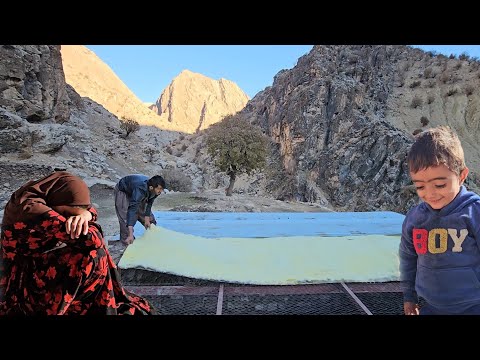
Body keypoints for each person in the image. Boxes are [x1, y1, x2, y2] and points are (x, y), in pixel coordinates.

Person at [0, 171, 158, 315]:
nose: (68, 217)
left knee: (93, 249)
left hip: (38, 262)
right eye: (67, 213)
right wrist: (83, 216)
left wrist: (86, 215)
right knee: (93, 254)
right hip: (22, 282)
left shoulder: (44, 194)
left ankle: (93, 301)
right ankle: (94, 304)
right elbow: (92, 240)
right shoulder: (32, 210)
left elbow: (88, 210)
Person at [399, 125, 480, 315]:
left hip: (472, 307)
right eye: (420, 187)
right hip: (429, 307)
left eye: (440, 184)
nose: (430, 194)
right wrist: (409, 297)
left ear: (461, 176)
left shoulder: (474, 212)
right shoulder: (415, 219)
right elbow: (408, 259)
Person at [114, 174, 166, 246]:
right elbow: (132, 209)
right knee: (125, 217)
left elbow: (149, 202)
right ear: (151, 187)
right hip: (124, 191)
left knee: (150, 221)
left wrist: (147, 218)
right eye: (160, 189)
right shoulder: (140, 189)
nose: (161, 191)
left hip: (137, 191)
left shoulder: (156, 189)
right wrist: (131, 233)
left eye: (162, 189)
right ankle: (127, 242)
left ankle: (152, 238)